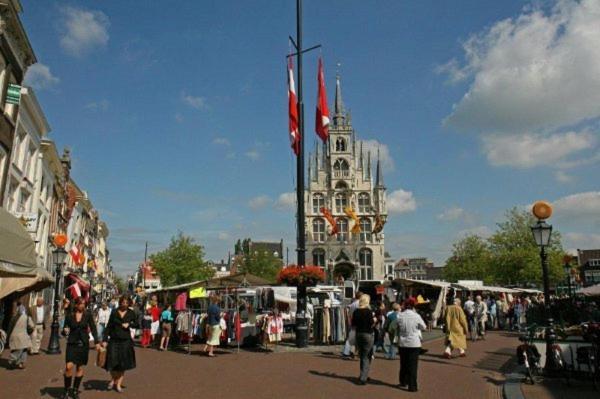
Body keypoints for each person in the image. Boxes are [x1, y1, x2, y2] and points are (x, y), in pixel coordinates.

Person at [62, 297, 101, 399]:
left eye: (84, 304)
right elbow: (64, 329)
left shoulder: (87, 315)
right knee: (68, 367)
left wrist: (97, 342)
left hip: (83, 344)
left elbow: (93, 328)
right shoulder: (70, 315)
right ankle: (66, 390)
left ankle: (75, 390)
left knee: (79, 367)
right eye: (80, 304)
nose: (82, 306)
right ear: (76, 305)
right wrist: (65, 331)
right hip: (72, 344)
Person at [102, 295, 137, 393]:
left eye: (126, 303)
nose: (124, 304)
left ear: (128, 303)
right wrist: (105, 339)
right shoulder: (114, 312)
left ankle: (118, 384)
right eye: (123, 302)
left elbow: (137, 324)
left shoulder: (131, 313)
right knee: (112, 361)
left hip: (125, 340)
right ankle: (113, 379)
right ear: (120, 302)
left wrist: (129, 324)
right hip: (114, 340)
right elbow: (108, 326)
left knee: (123, 363)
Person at [394, 297, 426, 392]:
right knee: (413, 365)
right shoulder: (416, 316)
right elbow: (423, 327)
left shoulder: (400, 315)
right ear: (413, 306)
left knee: (403, 363)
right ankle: (412, 386)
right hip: (414, 343)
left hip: (403, 342)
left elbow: (396, 325)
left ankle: (403, 381)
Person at [352, 294, 375, 385]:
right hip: (368, 334)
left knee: (362, 355)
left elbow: (353, 324)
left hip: (358, 334)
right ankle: (363, 378)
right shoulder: (368, 311)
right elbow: (371, 323)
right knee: (367, 356)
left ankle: (363, 374)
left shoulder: (356, 311)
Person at [7, 303, 34, 369]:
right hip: (24, 337)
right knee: (23, 350)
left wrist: (8, 337)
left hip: (14, 336)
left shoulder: (14, 317)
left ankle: (17, 363)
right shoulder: (27, 317)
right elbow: (32, 326)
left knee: (16, 349)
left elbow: (10, 328)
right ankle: (14, 362)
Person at [341, 291, 362, 358]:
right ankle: (348, 352)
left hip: (353, 322)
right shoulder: (360, 304)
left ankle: (349, 352)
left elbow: (349, 314)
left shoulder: (353, 304)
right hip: (359, 322)